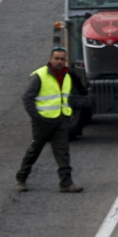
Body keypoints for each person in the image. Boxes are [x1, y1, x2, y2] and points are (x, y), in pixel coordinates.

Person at [16, 48, 82, 193]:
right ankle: (21, 178)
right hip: (42, 122)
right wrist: (36, 117)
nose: (59, 62)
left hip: (60, 120)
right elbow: (27, 98)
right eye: (56, 58)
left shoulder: (67, 75)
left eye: (62, 59)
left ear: (65, 60)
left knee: (63, 152)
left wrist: (66, 115)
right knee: (35, 150)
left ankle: (66, 183)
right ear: (50, 59)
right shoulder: (39, 75)